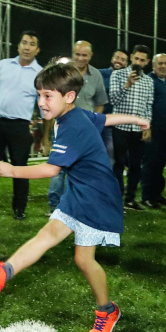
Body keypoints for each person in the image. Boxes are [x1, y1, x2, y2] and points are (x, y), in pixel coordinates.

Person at [0, 63, 148, 332]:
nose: (41, 102)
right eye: (39, 95)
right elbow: (104, 119)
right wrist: (135, 119)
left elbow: (51, 169)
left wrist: (14, 171)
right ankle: (2, 273)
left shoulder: (72, 125)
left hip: (97, 198)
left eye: (47, 96)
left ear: (68, 96)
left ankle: (107, 310)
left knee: (84, 260)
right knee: (47, 235)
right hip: (78, 192)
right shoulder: (74, 115)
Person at [0, 31, 43, 220]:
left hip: (20, 127)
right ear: (18, 46)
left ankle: (19, 209)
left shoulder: (40, 74)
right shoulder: (3, 65)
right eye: (24, 42)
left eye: (31, 44)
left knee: (20, 168)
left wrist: (45, 135)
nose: (26, 47)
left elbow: (44, 106)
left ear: (37, 50)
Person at [47, 41, 108, 213]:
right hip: (63, 128)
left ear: (90, 56)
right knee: (58, 169)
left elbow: (100, 103)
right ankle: (54, 205)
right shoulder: (61, 72)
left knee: (82, 170)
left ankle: (76, 204)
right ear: (73, 53)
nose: (81, 58)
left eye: (85, 55)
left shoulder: (96, 75)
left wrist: (94, 127)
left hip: (84, 132)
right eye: (78, 54)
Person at [108, 45, 154, 210]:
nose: (138, 62)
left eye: (142, 60)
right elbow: (113, 100)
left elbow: (148, 105)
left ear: (147, 62)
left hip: (138, 129)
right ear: (131, 58)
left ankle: (130, 199)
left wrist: (147, 125)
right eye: (136, 59)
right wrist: (127, 84)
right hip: (120, 125)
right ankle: (117, 197)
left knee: (136, 165)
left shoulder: (149, 81)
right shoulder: (118, 74)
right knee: (119, 163)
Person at [140, 53, 166, 208]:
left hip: (165, 131)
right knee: (150, 163)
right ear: (153, 65)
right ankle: (147, 196)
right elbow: (143, 104)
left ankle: (157, 194)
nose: (163, 66)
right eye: (160, 63)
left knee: (160, 163)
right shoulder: (148, 80)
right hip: (152, 130)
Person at [99, 49, 129, 166]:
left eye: (123, 59)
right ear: (112, 59)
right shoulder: (100, 74)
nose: (119, 61)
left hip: (115, 125)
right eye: (117, 57)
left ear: (126, 63)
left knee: (111, 155)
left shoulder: (128, 78)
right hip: (98, 121)